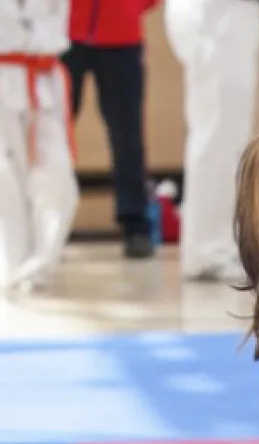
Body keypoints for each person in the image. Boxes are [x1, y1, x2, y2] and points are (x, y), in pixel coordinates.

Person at [165, 0, 259, 281]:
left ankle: (220, 244)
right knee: (217, 136)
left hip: (231, 17)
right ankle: (209, 250)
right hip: (216, 17)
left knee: (229, 137)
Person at [66, 0, 159, 259]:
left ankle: (135, 225)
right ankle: (46, 223)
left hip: (122, 33)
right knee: (54, 135)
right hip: (65, 31)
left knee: (127, 135)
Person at [0, 0, 80, 293]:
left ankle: (38, 264)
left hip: (43, 75)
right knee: (5, 180)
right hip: (3, 72)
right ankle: (10, 264)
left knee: (58, 177)